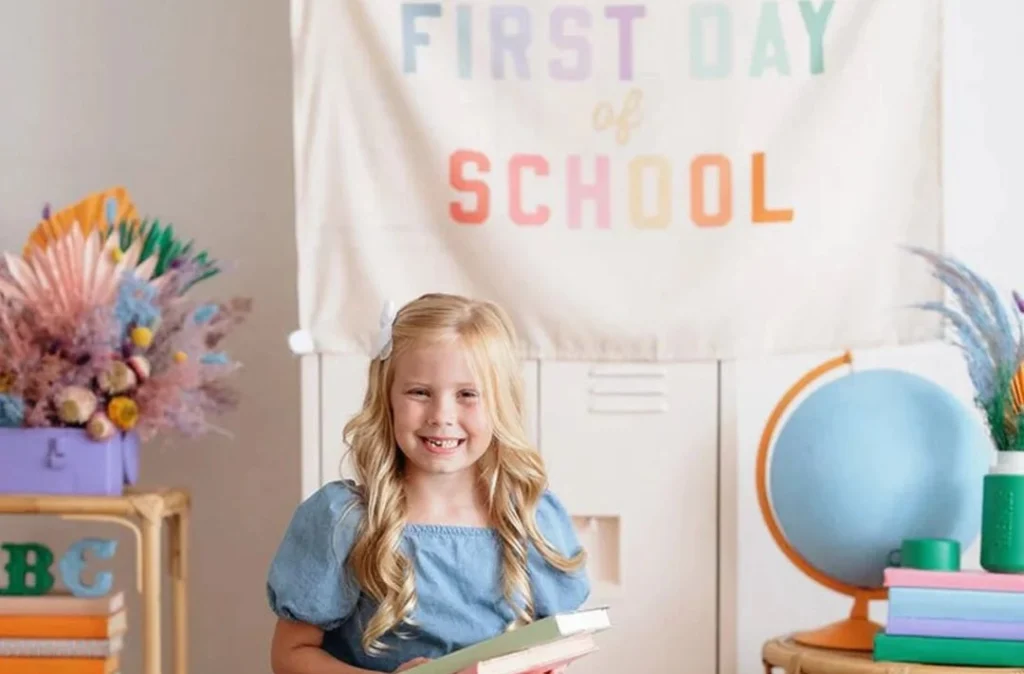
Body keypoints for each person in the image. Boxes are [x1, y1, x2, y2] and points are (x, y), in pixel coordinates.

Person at [267, 293, 591, 674]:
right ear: (386, 398)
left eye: (467, 395)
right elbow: (290, 655)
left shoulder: (533, 519)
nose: (442, 415)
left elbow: (555, 654)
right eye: (419, 392)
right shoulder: (343, 519)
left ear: (501, 404)